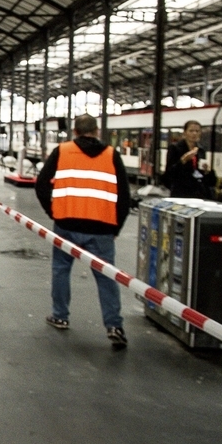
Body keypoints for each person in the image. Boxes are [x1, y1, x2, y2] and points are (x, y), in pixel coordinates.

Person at [35, 113, 131, 349]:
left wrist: (55, 212)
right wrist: (115, 226)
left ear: (75, 132)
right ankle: (114, 325)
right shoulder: (111, 154)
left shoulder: (62, 151)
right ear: (97, 132)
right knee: (107, 277)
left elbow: (41, 185)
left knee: (60, 270)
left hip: (66, 225)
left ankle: (60, 316)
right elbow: (125, 196)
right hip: (102, 228)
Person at [163, 119, 217, 198]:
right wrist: (183, 160)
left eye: (197, 131)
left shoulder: (201, 150)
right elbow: (169, 173)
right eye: (191, 131)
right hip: (182, 191)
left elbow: (203, 174)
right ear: (185, 133)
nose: (194, 134)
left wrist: (207, 171)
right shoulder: (175, 148)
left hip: (199, 191)